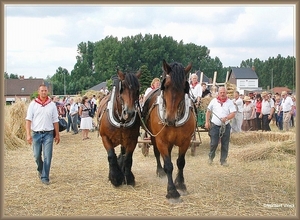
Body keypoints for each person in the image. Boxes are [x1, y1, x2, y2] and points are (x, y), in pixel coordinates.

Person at [25, 84, 60, 185]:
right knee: (36, 156)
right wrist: (28, 134)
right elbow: (28, 120)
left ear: (47, 92)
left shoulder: (52, 105)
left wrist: (57, 134)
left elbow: (55, 120)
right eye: (42, 91)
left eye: (45, 91)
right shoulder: (33, 104)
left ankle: (45, 177)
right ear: (38, 91)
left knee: (47, 156)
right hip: (36, 133)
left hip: (48, 133)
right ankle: (40, 169)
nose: (44, 92)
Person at [205, 87, 236, 166]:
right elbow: (208, 111)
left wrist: (226, 118)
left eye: (224, 92)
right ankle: (210, 158)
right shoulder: (213, 101)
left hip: (225, 126)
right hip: (215, 126)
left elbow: (233, 113)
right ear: (218, 93)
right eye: (221, 92)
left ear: (226, 93)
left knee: (225, 144)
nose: (222, 94)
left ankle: (223, 161)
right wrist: (207, 122)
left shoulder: (230, 102)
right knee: (214, 143)